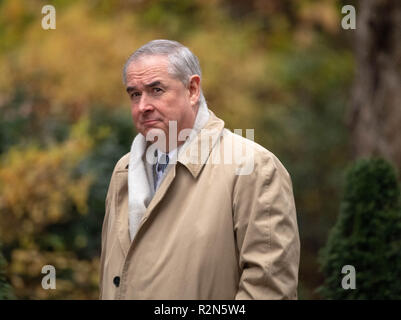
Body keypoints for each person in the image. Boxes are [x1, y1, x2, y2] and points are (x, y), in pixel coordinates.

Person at [99, 39, 300, 299]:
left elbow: (270, 291)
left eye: (156, 90)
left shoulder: (253, 167)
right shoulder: (123, 171)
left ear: (193, 90)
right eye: (135, 94)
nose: (142, 106)